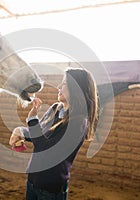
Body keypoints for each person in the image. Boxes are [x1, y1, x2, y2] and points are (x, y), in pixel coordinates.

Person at [9, 68, 99, 200]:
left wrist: (33, 119)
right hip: (34, 180)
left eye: (63, 84)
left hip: (50, 187)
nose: (59, 87)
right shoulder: (55, 108)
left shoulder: (78, 123)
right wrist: (20, 131)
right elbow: (41, 135)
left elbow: (45, 148)